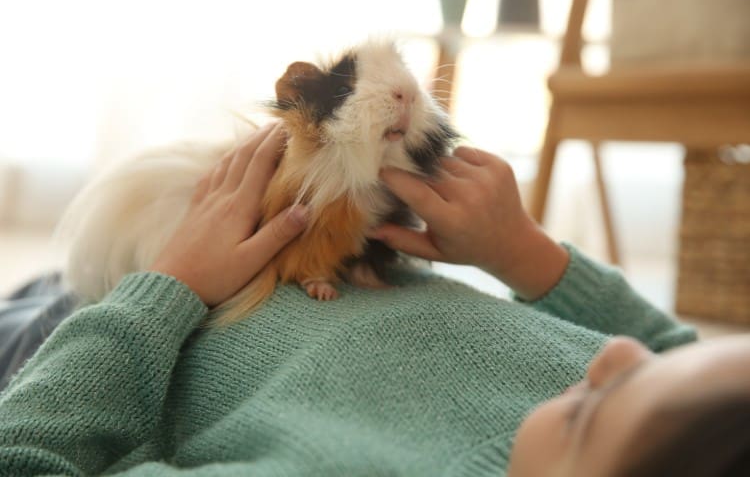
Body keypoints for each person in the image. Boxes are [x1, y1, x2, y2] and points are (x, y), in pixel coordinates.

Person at [0, 122, 747, 477]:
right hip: (200, 273)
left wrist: (166, 289)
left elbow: (26, 457)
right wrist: (524, 252)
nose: (623, 353)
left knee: (38, 301)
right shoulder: (690, 421)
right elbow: (679, 356)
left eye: (595, 414)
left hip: (121, 344)